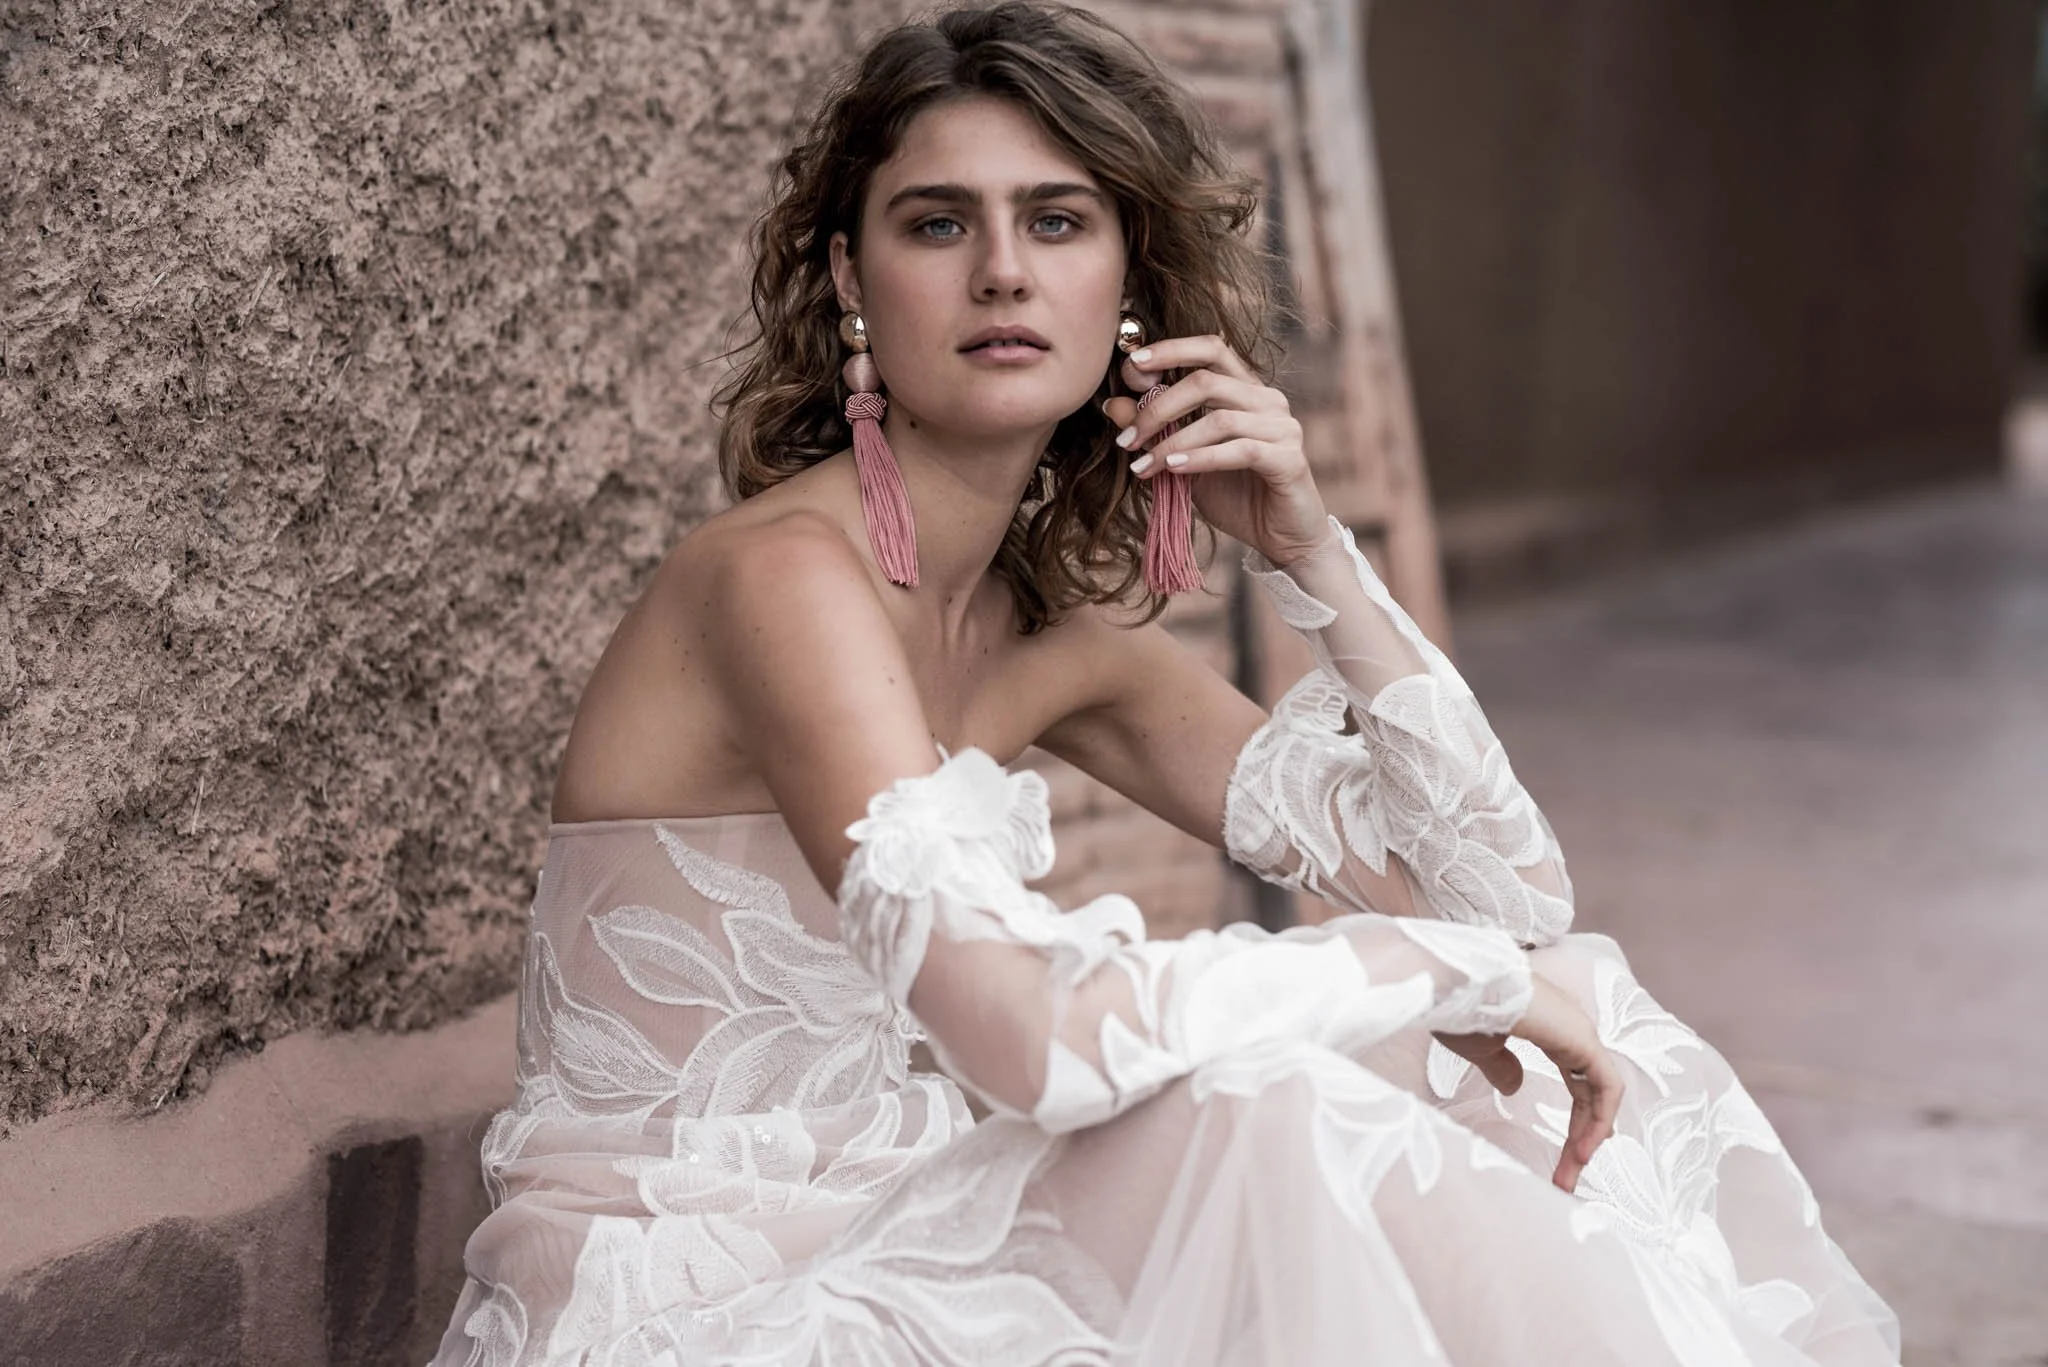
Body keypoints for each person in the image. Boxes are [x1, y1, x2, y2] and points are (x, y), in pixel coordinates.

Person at [427, 4, 1902, 1362]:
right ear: (848, 277)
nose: (1003, 269)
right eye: (938, 223)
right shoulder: (778, 584)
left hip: (904, 1221)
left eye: (1057, 221)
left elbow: (1501, 909)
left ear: (1127, 283)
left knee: (1586, 1023)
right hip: (690, 1293)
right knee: (1267, 1112)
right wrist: (1467, 975)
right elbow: (1018, 1025)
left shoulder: (1057, 648)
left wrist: (1315, 553)